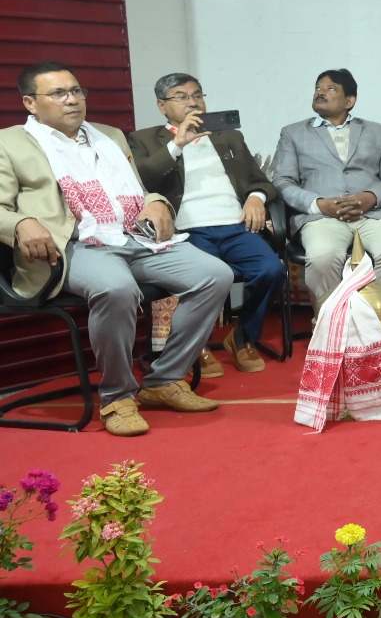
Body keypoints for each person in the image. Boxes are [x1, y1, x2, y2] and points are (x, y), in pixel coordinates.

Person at [0, 61, 233, 436]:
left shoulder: (109, 135)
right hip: (71, 246)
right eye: (59, 93)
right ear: (30, 102)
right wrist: (21, 223)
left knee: (215, 275)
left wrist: (157, 203)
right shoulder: (9, 143)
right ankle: (118, 397)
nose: (72, 100)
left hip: (132, 237)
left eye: (76, 91)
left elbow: (138, 189)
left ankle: (164, 380)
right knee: (116, 288)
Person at [129, 73, 287, 375]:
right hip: (186, 233)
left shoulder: (228, 136)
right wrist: (177, 143)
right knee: (202, 278)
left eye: (197, 95)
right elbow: (143, 180)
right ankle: (196, 345)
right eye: (181, 97)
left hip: (235, 225)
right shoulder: (144, 139)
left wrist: (256, 198)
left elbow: (261, 181)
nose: (193, 102)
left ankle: (242, 337)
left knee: (271, 270)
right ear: (162, 106)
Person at [270, 69, 381, 303]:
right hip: (322, 217)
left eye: (330, 88)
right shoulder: (292, 133)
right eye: (318, 88)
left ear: (349, 101)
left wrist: (371, 197)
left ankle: (373, 314)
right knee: (322, 257)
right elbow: (282, 181)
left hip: (373, 214)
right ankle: (331, 317)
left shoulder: (378, 132)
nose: (320, 92)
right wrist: (318, 204)